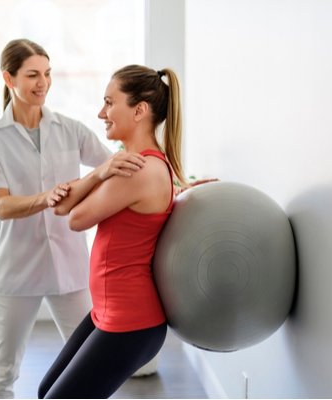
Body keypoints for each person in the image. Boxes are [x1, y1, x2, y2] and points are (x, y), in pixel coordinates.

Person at [0, 39, 147, 399]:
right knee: (3, 371)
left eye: (48, 74)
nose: (43, 83)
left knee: (89, 363)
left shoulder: (69, 128)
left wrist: (181, 181)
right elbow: (1, 206)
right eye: (33, 75)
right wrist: (45, 198)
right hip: (17, 269)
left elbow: (117, 165)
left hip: (69, 267)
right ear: (9, 78)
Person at [37, 65, 217, 399]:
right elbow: (60, 207)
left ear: (139, 110)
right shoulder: (131, 162)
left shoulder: (136, 169)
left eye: (109, 102)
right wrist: (102, 170)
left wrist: (99, 173)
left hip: (130, 322)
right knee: (46, 391)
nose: (101, 113)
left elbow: (76, 219)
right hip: (109, 313)